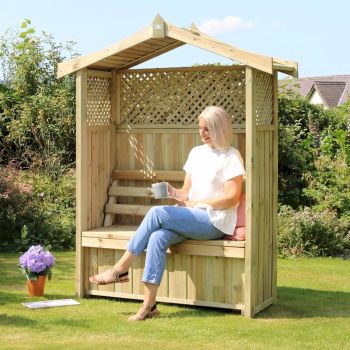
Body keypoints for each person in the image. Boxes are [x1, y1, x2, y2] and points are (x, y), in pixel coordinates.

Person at [89, 106, 245, 321]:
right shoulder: (196, 154)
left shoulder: (231, 156)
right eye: (200, 128)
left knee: (157, 213)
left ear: (220, 128)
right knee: (157, 237)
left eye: (207, 129)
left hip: (213, 221)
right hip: (191, 217)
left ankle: (119, 269)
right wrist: (174, 192)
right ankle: (148, 306)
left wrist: (198, 202)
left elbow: (231, 198)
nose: (202, 133)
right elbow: (186, 192)